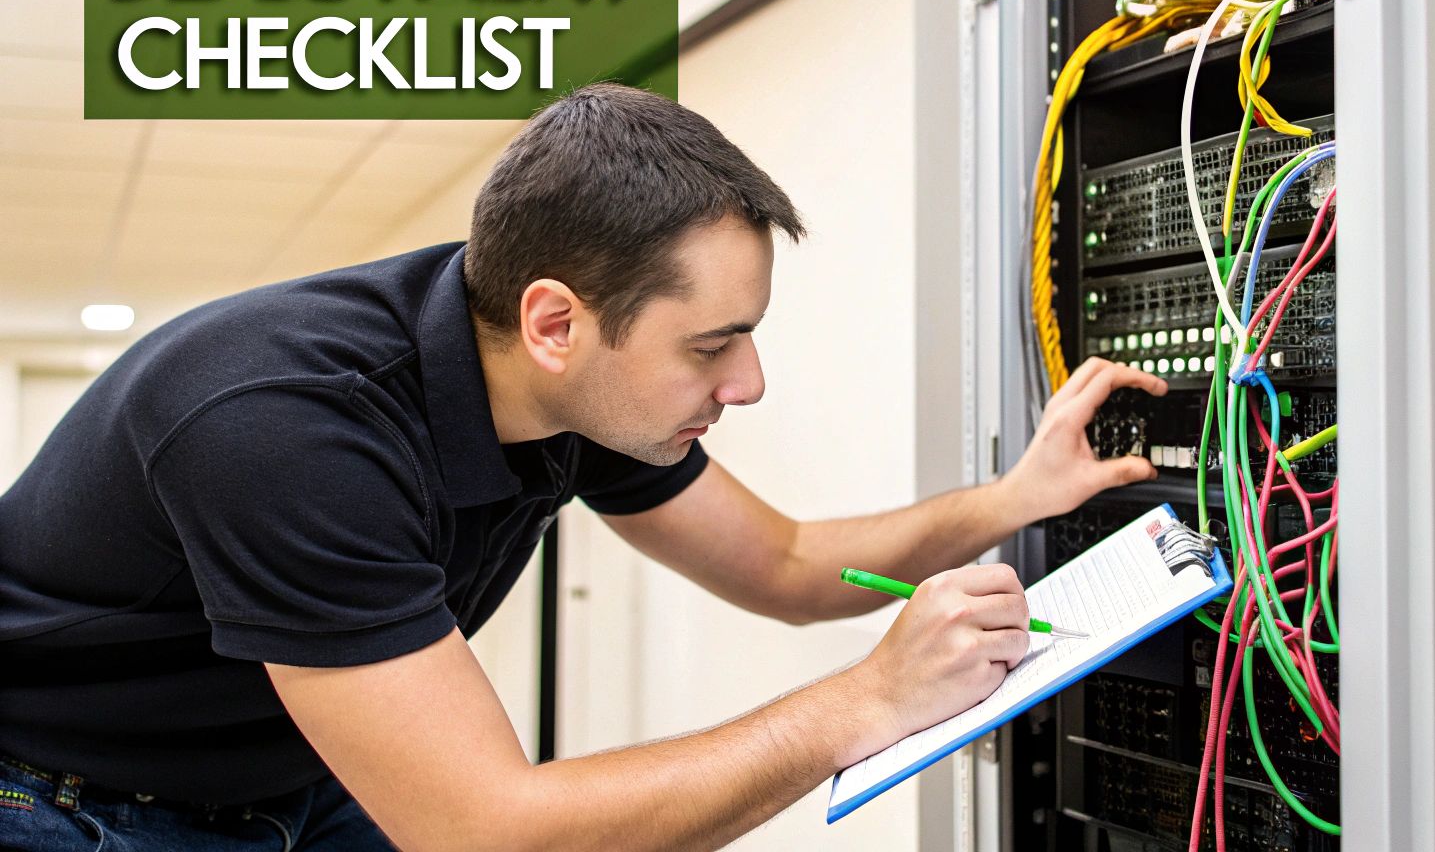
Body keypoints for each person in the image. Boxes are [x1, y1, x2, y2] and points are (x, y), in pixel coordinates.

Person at [0, 82, 1165, 851]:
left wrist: (1013, 500)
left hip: (290, 777)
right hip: (69, 797)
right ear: (556, 321)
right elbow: (483, 829)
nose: (748, 382)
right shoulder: (278, 425)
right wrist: (863, 701)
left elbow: (790, 562)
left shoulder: (554, 382)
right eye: (711, 345)